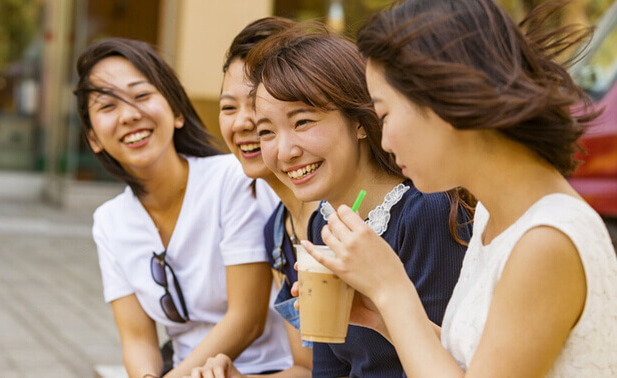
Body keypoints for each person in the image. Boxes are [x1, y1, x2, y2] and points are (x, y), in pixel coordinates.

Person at [301, 0, 617, 376]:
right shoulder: (493, 213)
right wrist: (382, 315)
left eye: (384, 114)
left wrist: (392, 289)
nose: (383, 141)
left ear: (442, 98)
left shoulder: (545, 241)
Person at [248, 23, 472, 377]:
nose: (284, 150)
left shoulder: (427, 213)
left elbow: (448, 361)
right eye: (266, 132)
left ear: (360, 121)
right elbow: (328, 370)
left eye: (303, 121)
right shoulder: (324, 221)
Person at [73, 38, 291, 377]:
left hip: (264, 370)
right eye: (107, 106)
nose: (130, 115)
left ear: (176, 112)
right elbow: (137, 340)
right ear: (93, 139)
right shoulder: (109, 222)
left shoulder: (231, 179)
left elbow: (246, 320)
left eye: (142, 96)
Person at [189, 17, 316, 378]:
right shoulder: (280, 233)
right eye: (229, 107)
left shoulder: (343, 213)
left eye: (255, 105)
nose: (243, 122)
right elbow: (308, 368)